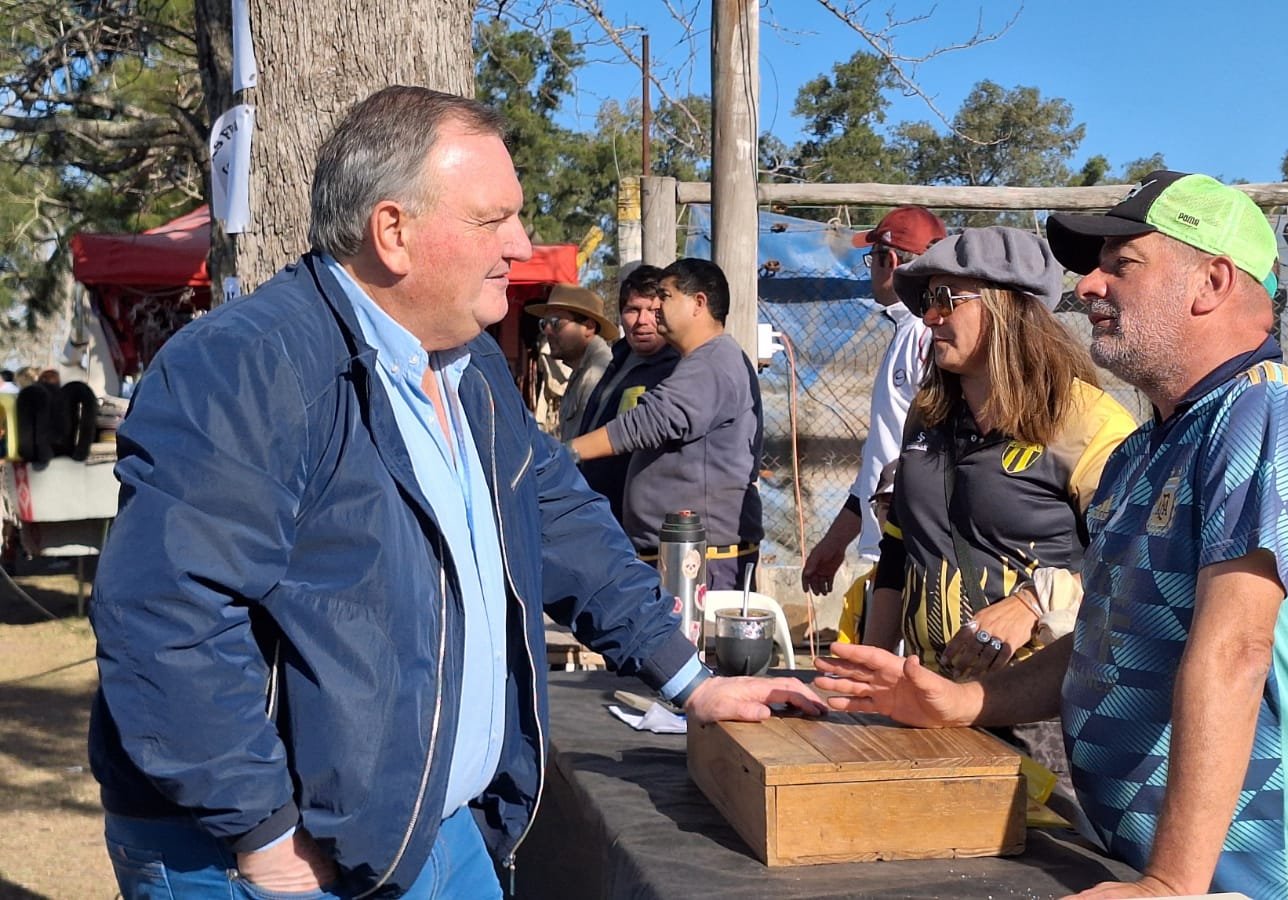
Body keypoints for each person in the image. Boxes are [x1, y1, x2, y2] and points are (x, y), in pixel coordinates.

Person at [86, 85, 823, 900]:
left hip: (431, 829)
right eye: (493, 219)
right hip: (263, 859)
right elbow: (165, 614)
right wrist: (264, 835)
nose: (520, 244)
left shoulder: (468, 369)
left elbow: (560, 518)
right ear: (393, 231)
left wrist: (690, 679)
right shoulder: (247, 366)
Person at [818, 171, 1288, 899]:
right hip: (1127, 860)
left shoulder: (1267, 411)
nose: (1085, 286)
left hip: (1261, 878)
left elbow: (1238, 649)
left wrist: (1171, 885)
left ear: (1209, 282)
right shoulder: (1144, 453)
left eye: (1122, 264)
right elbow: (1101, 643)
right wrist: (959, 704)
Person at [862, 225, 1135, 775]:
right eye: (926, 302)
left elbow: (1134, 573)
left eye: (945, 300)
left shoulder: (1088, 424)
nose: (929, 317)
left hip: (1041, 717)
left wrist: (1035, 602)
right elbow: (899, 551)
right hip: (930, 700)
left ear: (1010, 309)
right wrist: (870, 670)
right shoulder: (928, 415)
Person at [569, 258, 763, 590]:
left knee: (693, 643)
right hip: (680, 553)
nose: (656, 307)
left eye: (666, 296)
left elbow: (646, 423)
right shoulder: (700, 360)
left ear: (698, 303)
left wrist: (566, 452)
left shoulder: (712, 363)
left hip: (699, 560)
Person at [801, 206, 945, 597]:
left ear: (890, 260)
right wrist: (838, 539)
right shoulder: (907, 331)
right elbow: (881, 458)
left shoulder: (926, 336)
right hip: (893, 541)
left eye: (873, 259)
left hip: (914, 548)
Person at [575, 265, 680, 520]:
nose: (642, 320)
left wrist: (567, 452)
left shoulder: (679, 371)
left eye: (654, 311)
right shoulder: (618, 361)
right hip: (601, 514)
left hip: (646, 522)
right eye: (633, 309)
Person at [526, 283, 617, 440]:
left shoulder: (597, 375)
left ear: (588, 327)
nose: (547, 331)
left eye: (556, 323)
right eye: (544, 324)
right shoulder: (581, 371)